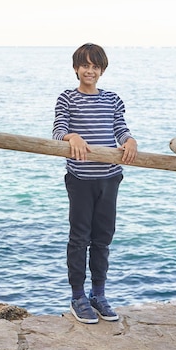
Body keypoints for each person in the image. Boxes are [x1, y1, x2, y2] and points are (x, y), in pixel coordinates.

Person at [52, 43, 137, 324]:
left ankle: (98, 294)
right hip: (80, 180)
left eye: (95, 66)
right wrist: (72, 137)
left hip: (110, 178)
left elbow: (119, 128)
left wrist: (129, 140)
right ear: (76, 68)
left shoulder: (112, 99)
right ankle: (78, 296)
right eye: (85, 65)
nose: (90, 71)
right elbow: (58, 130)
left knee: (103, 238)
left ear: (102, 70)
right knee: (79, 238)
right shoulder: (67, 98)